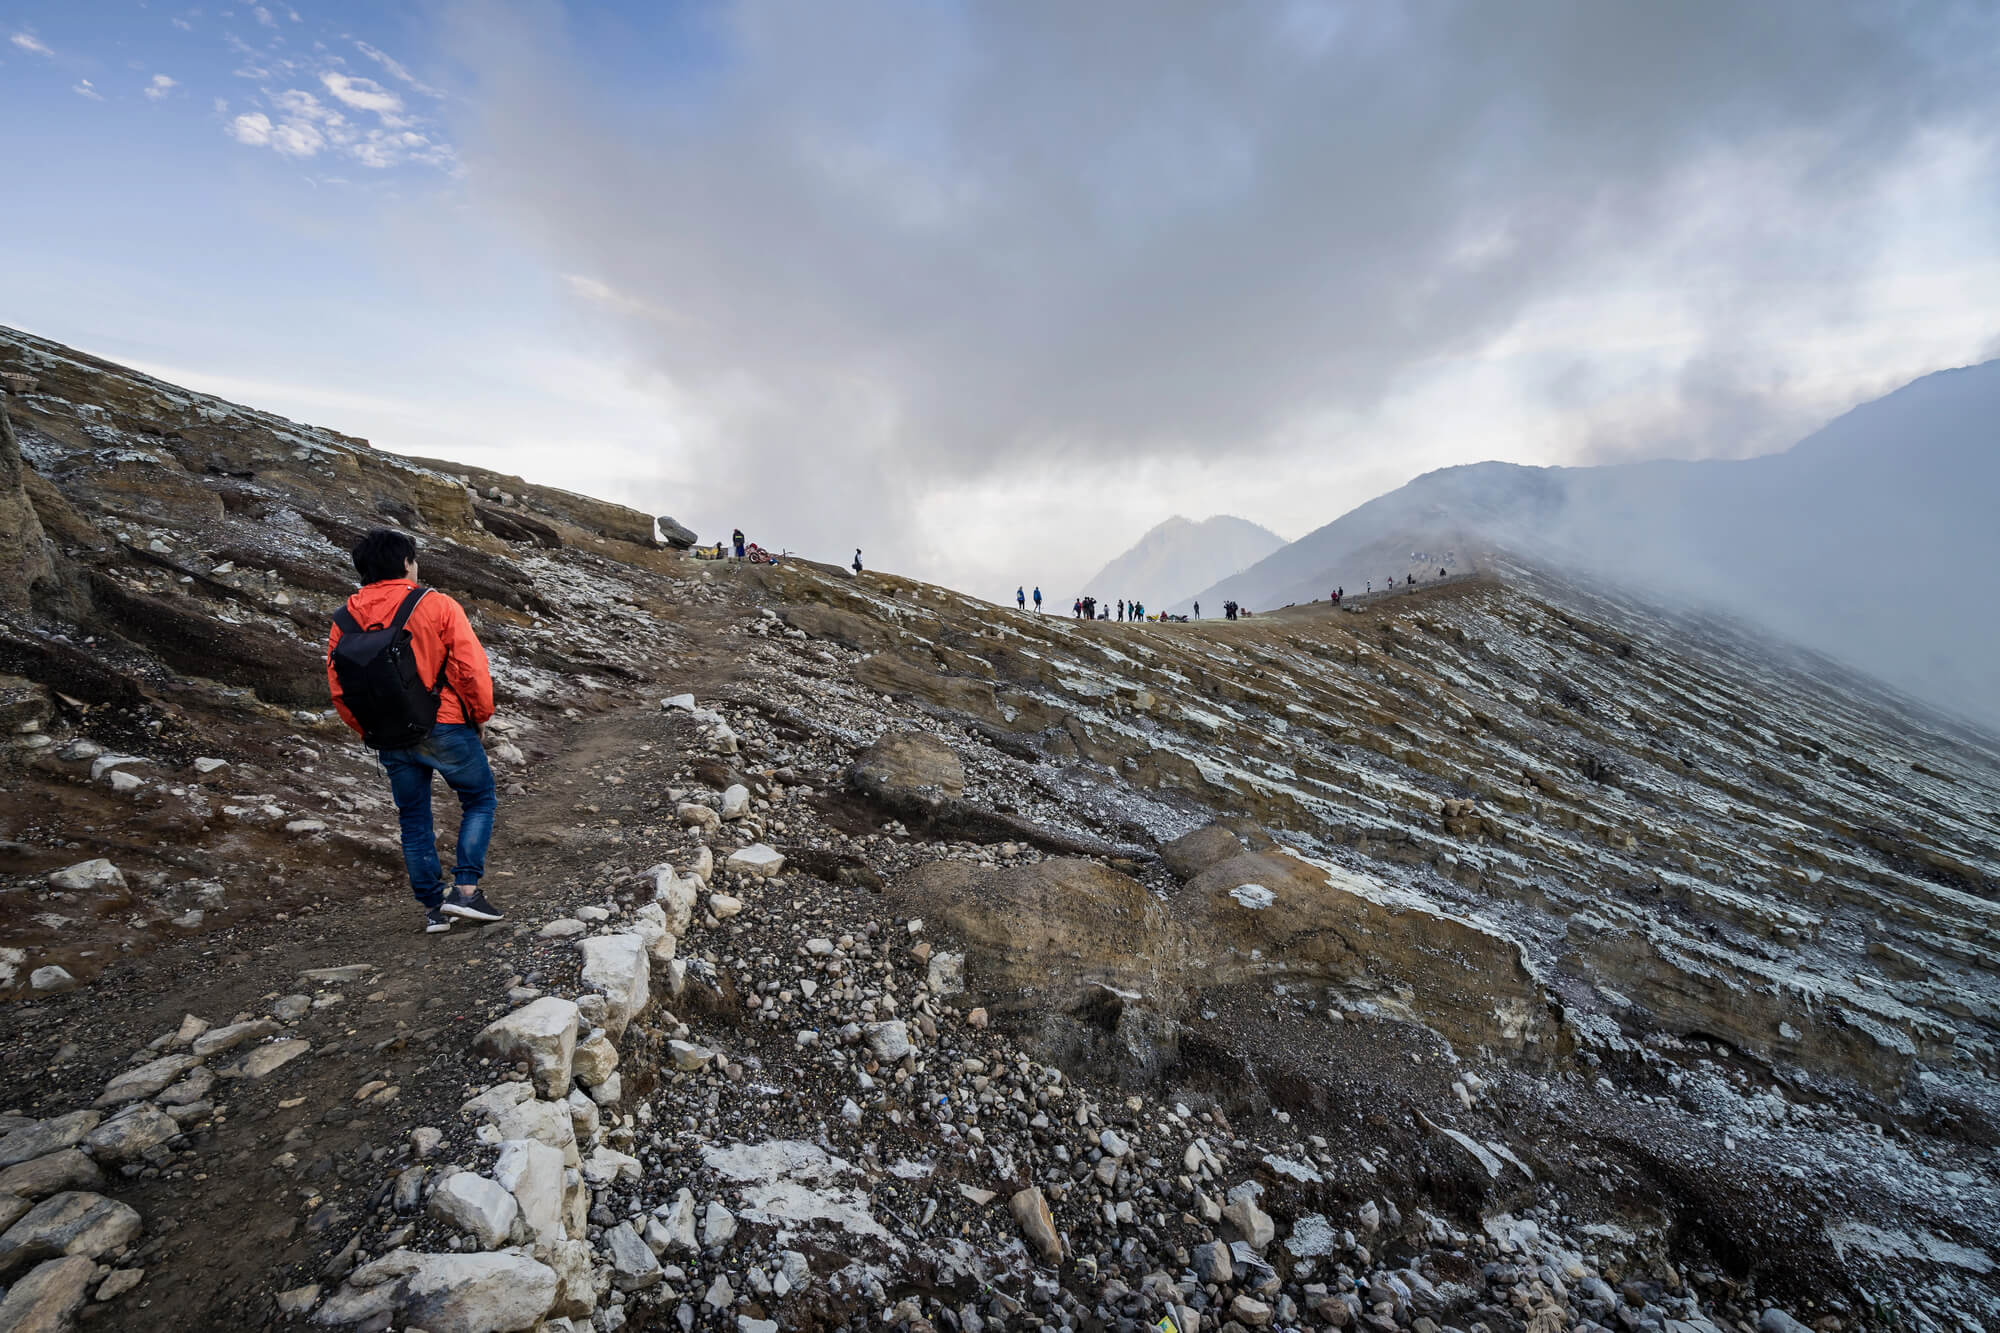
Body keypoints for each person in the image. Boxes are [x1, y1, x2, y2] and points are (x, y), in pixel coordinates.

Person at [327, 528, 502, 933]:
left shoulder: (344, 618)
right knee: (479, 799)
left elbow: (339, 688)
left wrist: (368, 729)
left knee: (414, 819)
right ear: (407, 563)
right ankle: (465, 892)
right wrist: (479, 715)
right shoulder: (435, 604)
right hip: (445, 724)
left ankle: (433, 909)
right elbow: (470, 668)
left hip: (388, 734)